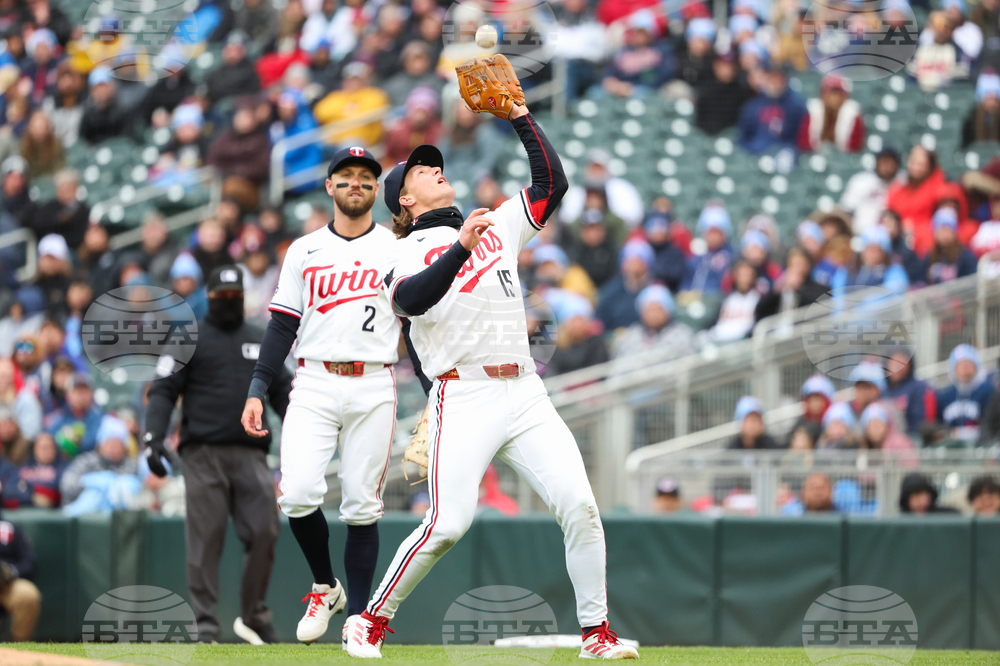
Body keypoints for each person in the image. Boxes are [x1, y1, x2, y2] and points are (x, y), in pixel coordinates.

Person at [350, 99, 636, 658]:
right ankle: (369, 621)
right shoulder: (403, 248)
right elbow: (411, 298)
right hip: (464, 393)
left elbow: (552, 183)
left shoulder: (495, 222)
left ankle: (596, 635)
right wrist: (460, 247)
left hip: (525, 390)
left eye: (435, 163)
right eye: (420, 169)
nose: (436, 167)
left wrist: (519, 116)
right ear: (405, 199)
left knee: (579, 504)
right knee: (446, 525)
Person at [242, 148, 400, 645]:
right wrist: (257, 388)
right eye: (346, 177)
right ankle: (323, 584)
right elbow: (282, 324)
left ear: (376, 190)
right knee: (297, 493)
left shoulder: (397, 247)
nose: (357, 184)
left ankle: (358, 617)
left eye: (366, 178)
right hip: (311, 379)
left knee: (361, 505)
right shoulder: (303, 249)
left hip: (374, 379)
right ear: (329, 187)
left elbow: (416, 322)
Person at [145, 265, 289, 645]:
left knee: (264, 530)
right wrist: (153, 436)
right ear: (209, 297)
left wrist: (305, 434)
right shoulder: (187, 338)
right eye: (222, 296)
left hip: (251, 452)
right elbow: (162, 389)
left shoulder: (261, 338)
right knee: (206, 538)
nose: (229, 301)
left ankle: (254, 616)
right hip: (202, 451)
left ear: (243, 295)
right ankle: (206, 624)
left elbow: (285, 392)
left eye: (234, 295)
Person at [737, 62, 806, 155]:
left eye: (778, 79)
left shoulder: (795, 106)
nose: (775, 83)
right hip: (755, 151)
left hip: (783, 152)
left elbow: (798, 138)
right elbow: (743, 137)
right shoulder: (752, 106)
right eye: (772, 79)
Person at [612, 285, 694, 360]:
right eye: (649, 311)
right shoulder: (632, 335)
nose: (653, 315)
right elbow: (619, 367)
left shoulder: (681, 334)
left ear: (667, 311)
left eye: (657, 310)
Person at [937, 344, 995, 444]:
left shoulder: (988, 392)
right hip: (952, 448)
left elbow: (991, 424)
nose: (965, 369)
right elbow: (939, 424)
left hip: (981, 446)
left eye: (968, 364)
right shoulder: (945, 395)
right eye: (961, 365)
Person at [595, 240, 655, 332]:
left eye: (638, 260)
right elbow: (600, 321)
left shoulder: (656, 290)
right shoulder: (610, 291)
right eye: (629, 260)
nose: (633, 265)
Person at [0, 507, 40, 641]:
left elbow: (29, 562)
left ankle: (18, 648)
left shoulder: (10, 528)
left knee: (28, 594)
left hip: (7, 584)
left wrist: (11, 572)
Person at [797, 74, 865, 153]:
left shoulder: (853, 114)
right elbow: (804, 143)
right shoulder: (813, 111)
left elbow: (855, 147)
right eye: (831, 93)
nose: (834, 97)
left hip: (843, 159)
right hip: (816, 157)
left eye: (838, 93)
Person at [840, 147, 901, 234]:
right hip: (859, 234)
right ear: (877, 163)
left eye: (891, 163)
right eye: (884, 162)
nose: (887, 167)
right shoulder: (862, 181)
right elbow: (847, 209)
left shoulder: (901, 183)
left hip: (891, 238)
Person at [681, 205, 734, 296]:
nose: (712, 237)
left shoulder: (732, 257)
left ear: (724, 234)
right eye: (709, 232)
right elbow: (685, 284)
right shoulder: (696, 260)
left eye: (716, 232)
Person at [885, 348, 937, 436]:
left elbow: (923, 421)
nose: (897, 367)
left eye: (901, 363)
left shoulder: (919, 387)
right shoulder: (884, 391)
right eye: (894, 362)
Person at [923, 208, 978, 284]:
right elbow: (922, 282)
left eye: (948, 229)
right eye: (941, 230)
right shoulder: (930, 256)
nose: (944, 234)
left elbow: (972, 281)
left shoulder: (966, 256)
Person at [785, 374, 835, 449]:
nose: (816, 404)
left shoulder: (832, 423)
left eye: (819, 399)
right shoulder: (801, 423)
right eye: (812, 399)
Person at [962, 71, 1000, 147]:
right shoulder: (971, 119)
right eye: (987, 93)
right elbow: (966, 145)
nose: (991, 97)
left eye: (994, 93)